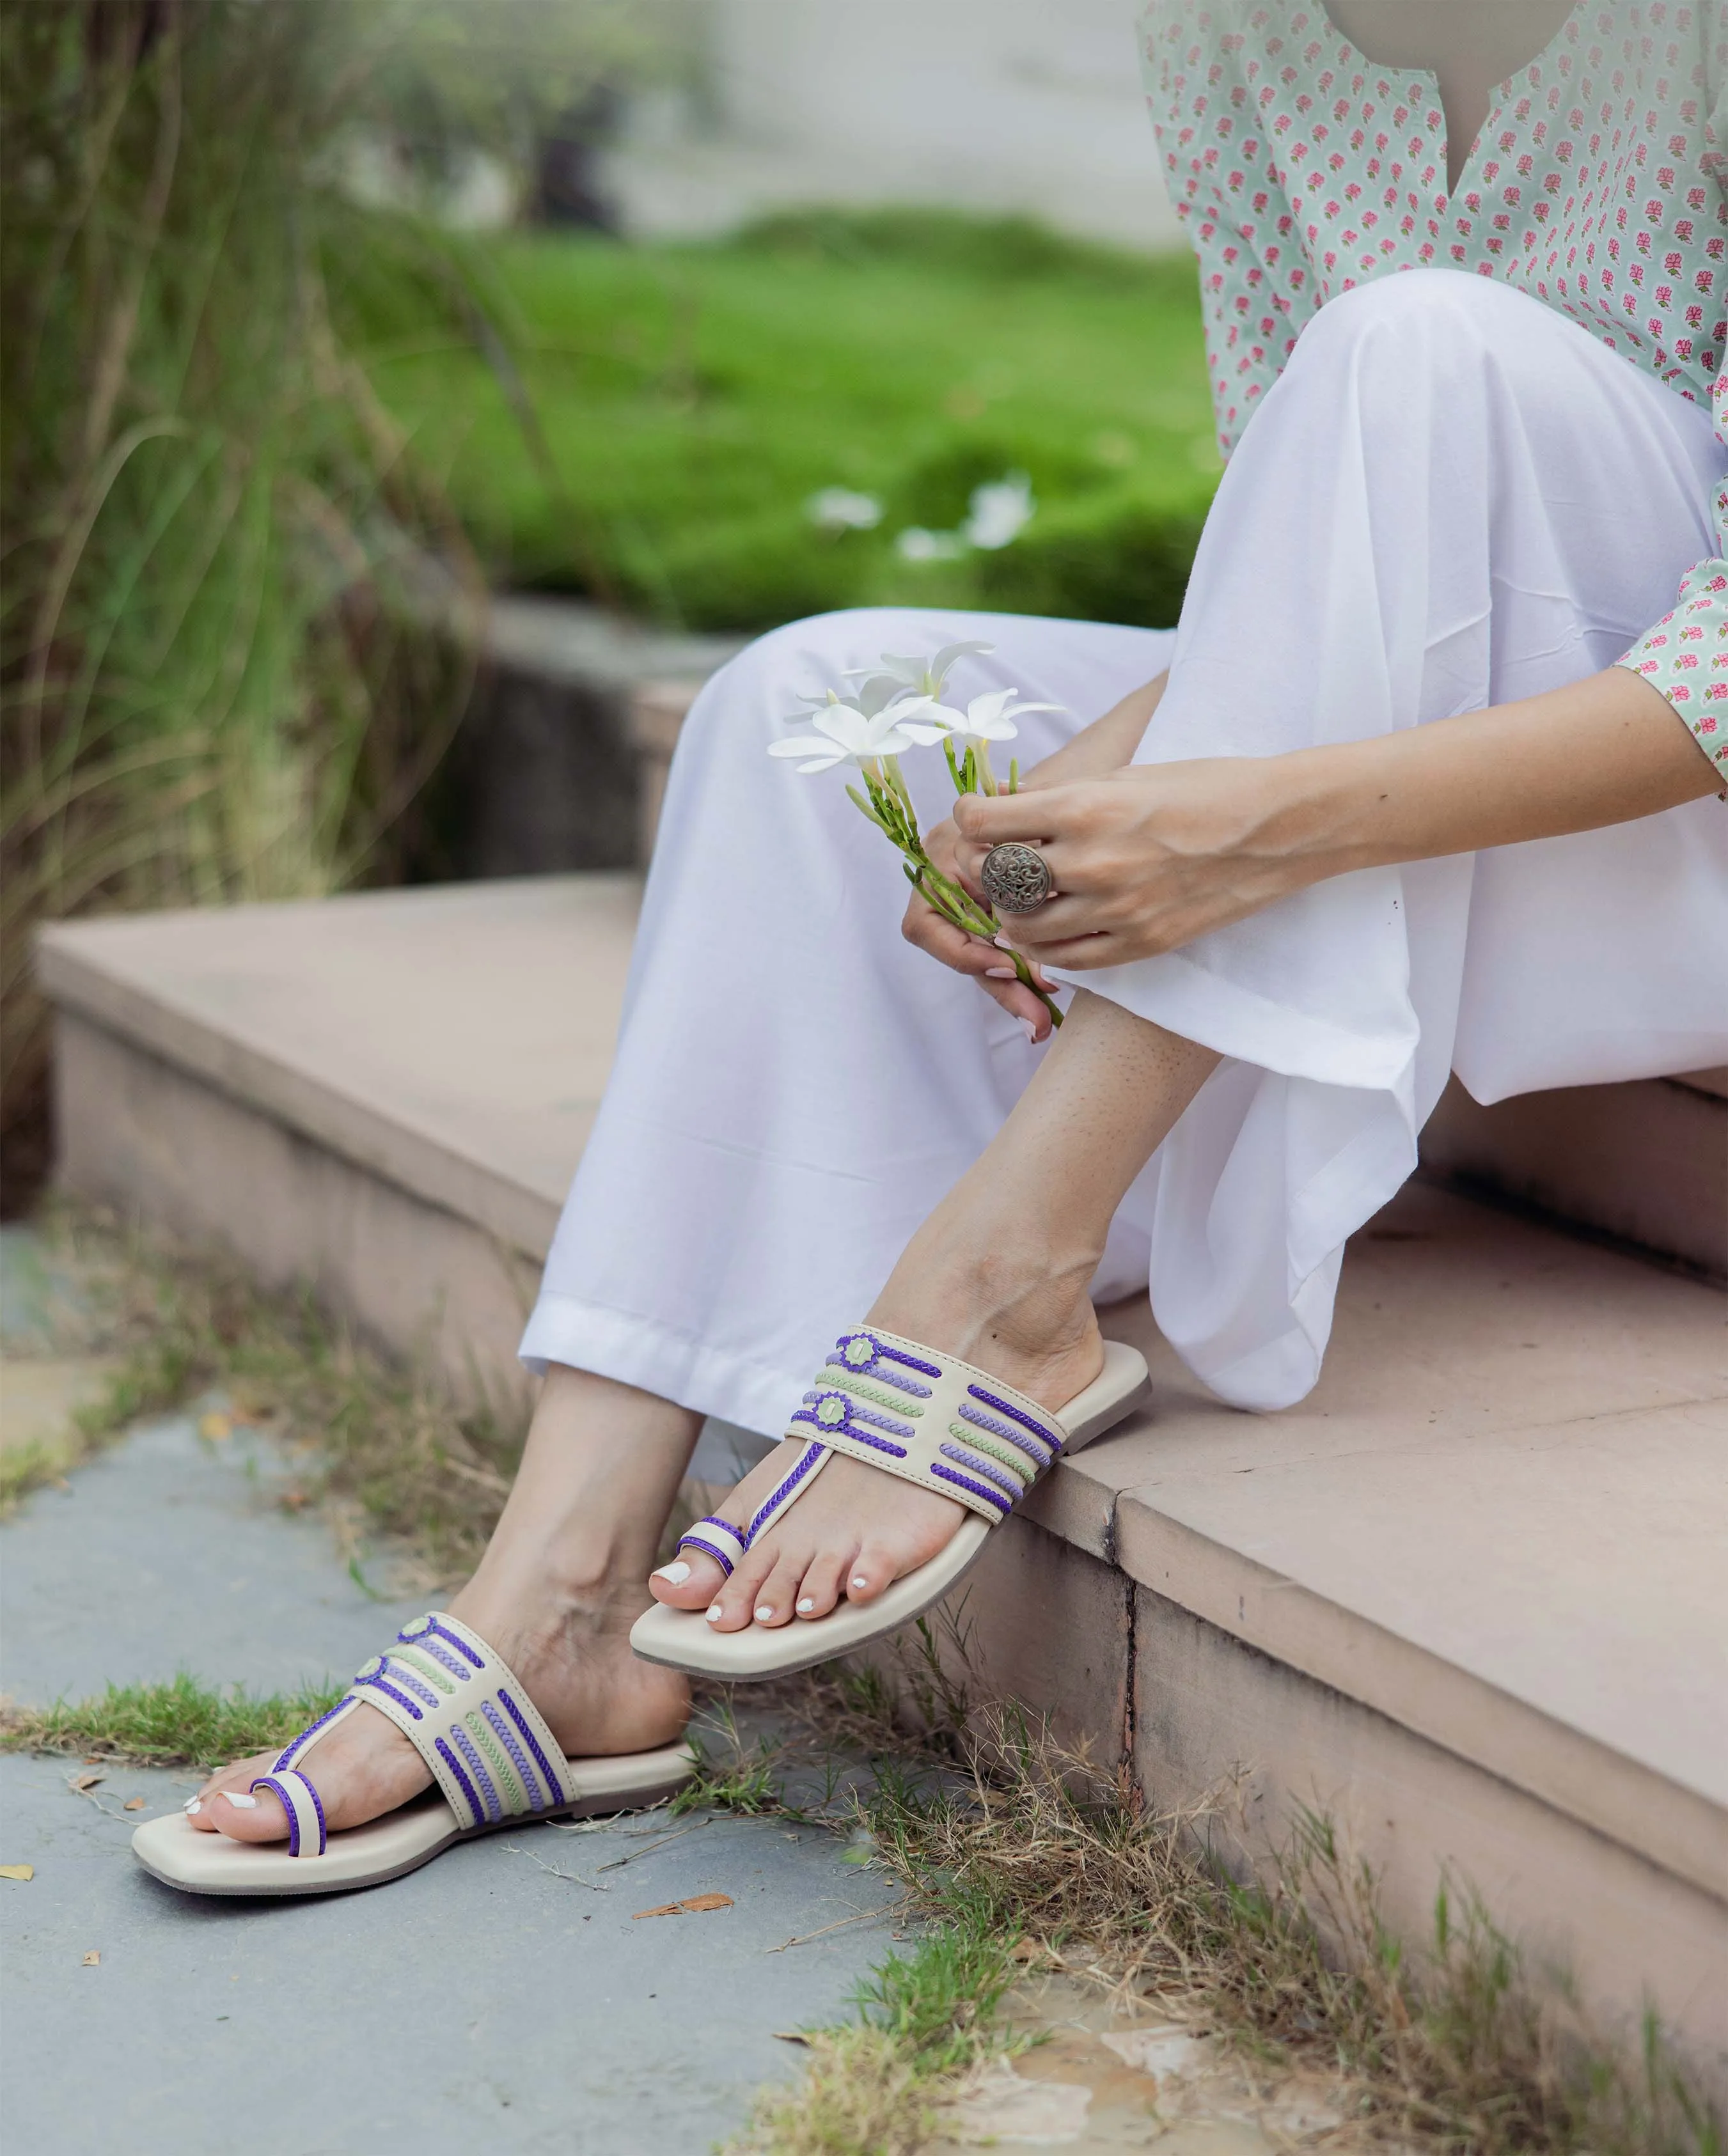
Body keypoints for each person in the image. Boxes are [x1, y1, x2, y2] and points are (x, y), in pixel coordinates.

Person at [175, 0, 1727, 1872]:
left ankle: (1009, 1277)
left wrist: (1249, 826)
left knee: (1419, 344)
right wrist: (1089, 792)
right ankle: (560, 1597)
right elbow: (1321, 530)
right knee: (818, 705)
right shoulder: (1238, 33)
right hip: (1452, 780)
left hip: (1664, 823)